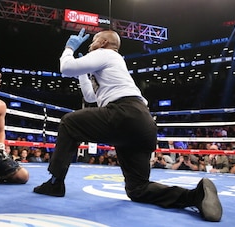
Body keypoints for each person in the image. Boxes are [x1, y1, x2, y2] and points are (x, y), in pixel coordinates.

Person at [33, 28, 222, 222]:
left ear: (104, 43)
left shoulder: (105, 54)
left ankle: (55, 183)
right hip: (142, 123)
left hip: (124, 113)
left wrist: (69, 48)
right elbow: (91, 97)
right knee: (137, 189)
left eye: (94, 40)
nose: (90, 44)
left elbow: (65, 67)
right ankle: (196, 196)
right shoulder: (113, 65)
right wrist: (83, 73)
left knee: (69, 123)